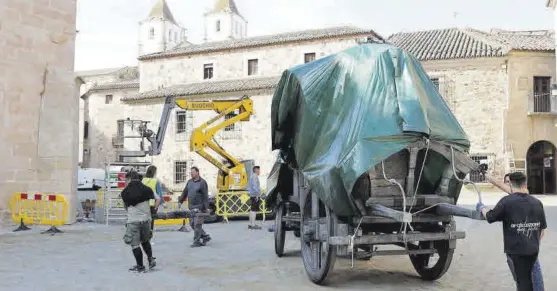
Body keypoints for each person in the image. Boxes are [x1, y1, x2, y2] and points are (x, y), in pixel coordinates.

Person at [477, 170, 547, 291]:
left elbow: (490, 216)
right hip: (532, 250)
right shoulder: (537, 202)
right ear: (525, 185)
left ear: (510, 184)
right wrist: (532, 243)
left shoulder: (506, 202)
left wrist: (481, 207)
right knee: (532, 281)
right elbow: (542, 231)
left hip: (515, 252)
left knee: (523, 282)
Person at [121, 170, 161, 272]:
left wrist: (132, 212)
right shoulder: (147, 189)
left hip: (133, 221)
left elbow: (125, 206)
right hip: (146, 220)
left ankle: (140, 266)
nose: (125, 181)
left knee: (135, 245)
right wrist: (153, 210)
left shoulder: (125, 192)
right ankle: (150, 259)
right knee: (145, 241)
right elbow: (156, 200)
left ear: (129, 179)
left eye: (126, 180)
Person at [178, 166, 211, 247]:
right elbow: (185, 192)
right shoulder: (189, 182)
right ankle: (205, 236)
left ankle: (197, 241)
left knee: (197, 224)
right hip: (191, 207)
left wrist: (206, 208)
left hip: (199, 208)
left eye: (193, 172)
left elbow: (205, 196)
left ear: (197, 172)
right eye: (191, 172)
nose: (191, 173)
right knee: (192, 224)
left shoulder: (202, 182)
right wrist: (180, 201)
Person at [142, 165, 164, 244]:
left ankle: (143, 239)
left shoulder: (143, 180)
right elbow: (159, 194)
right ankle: (148, 240)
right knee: (150, 224)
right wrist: (158, 206)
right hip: (152, 205)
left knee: (143, 222)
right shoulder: (156, 181)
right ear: (154, 172)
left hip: (143, 205)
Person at [247, 166, 262, 230]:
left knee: (251, 210)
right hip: (255, 195)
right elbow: (255, 186)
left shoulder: (251, 176)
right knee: (254, 210)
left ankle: (250, 224)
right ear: (256, 170)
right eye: (259, 170)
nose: (259, 171)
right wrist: (257, 195)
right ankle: (253, 225)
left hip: (252, 194)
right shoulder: (255, 177)